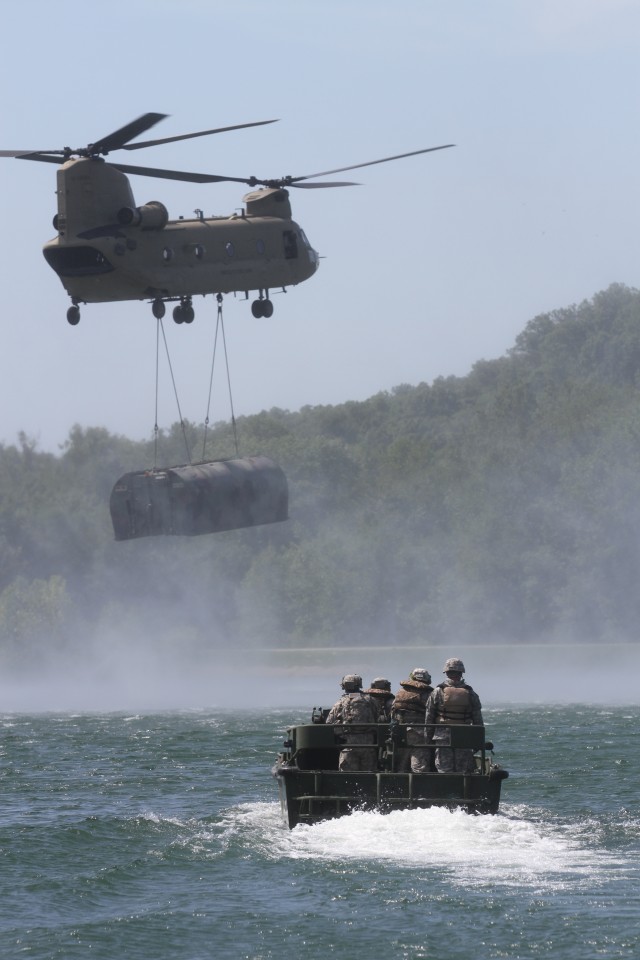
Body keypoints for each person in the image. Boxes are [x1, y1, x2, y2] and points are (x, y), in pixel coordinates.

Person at [425, 658, 484, 774]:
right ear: (461, 673)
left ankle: (445, 789)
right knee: (463, 770)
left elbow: (429, 717)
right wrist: (478, 742)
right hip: (464, 736)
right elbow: (478, 720)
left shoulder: (437, 692)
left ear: (446, 673)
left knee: (444, 769)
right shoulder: (471, 693)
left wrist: (427, 740)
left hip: (442, 737)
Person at [325, 674, 378, 771]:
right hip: (368, 744)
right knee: (369, 776)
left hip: (348, 744)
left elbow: (329, 722)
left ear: (344, 686)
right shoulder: (371, 700)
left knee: (347, 777)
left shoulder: (339, 703)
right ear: (359, 685)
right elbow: (378, 717)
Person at [390, 668, 433, 772]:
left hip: (401, 733)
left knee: (401, 765)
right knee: (419, 766)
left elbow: (393, 713)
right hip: (421, 733)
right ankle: (418, 786)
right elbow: (432, 714)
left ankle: (399, 786)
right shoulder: (428, 694)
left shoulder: (401, 691)